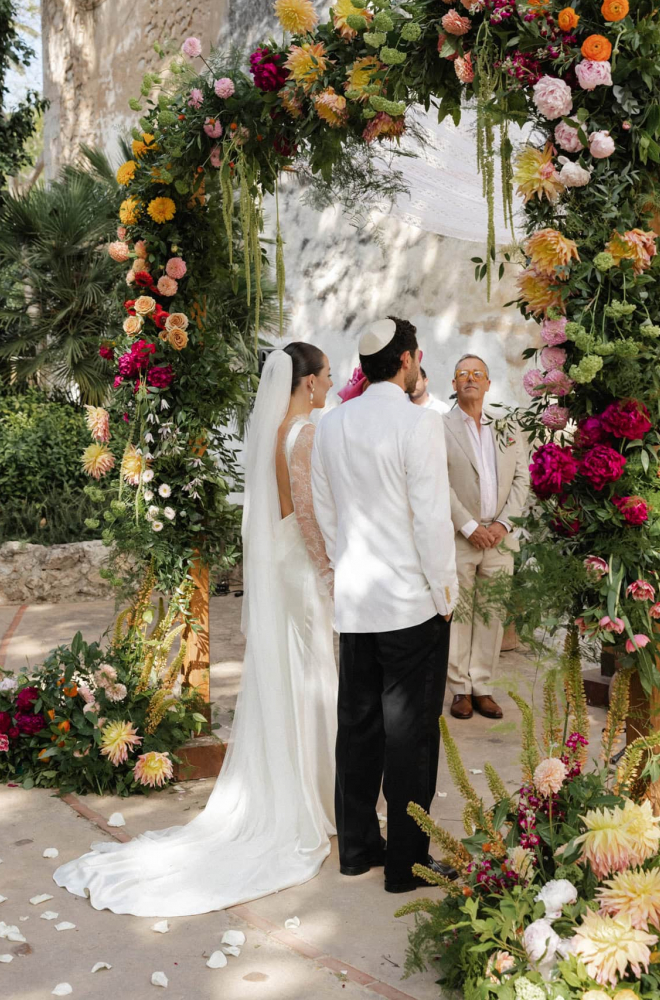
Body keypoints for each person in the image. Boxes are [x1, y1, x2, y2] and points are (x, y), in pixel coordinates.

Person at [54, 343, 338, 916]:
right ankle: (318, 798)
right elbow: (307, 511)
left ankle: (304, 786)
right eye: (327, 376)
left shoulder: (272, 433)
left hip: (281, 563)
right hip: (304, 564)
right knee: (314, 673)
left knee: (292, 670)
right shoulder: (304, 433)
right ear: (307, 382)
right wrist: (330, 568)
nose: (330, 384)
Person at [311, 317, 459, 894]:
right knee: (412, 737)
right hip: (409, 604)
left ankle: (355, 850)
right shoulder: (418, 423)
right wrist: (445, 593)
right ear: (407, 361)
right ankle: (406, 865)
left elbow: (327, 515)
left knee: (359, 728)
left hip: (355, 601)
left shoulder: (332, 423)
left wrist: (342, 575)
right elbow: (430, 520)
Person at [443, 353, 528, 722]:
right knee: (459, 613)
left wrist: (503, 524)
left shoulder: (507, 425)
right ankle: (459, 689)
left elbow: (523, 479)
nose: (470, 379)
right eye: (463, 373)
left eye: (478, 373)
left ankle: (483, 687)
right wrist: (468, 526)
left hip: (499, 537)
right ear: (454, 384)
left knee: (492, 614)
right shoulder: (440, 427)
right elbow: (437, 482)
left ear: (489, 383)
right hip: (461, 536)